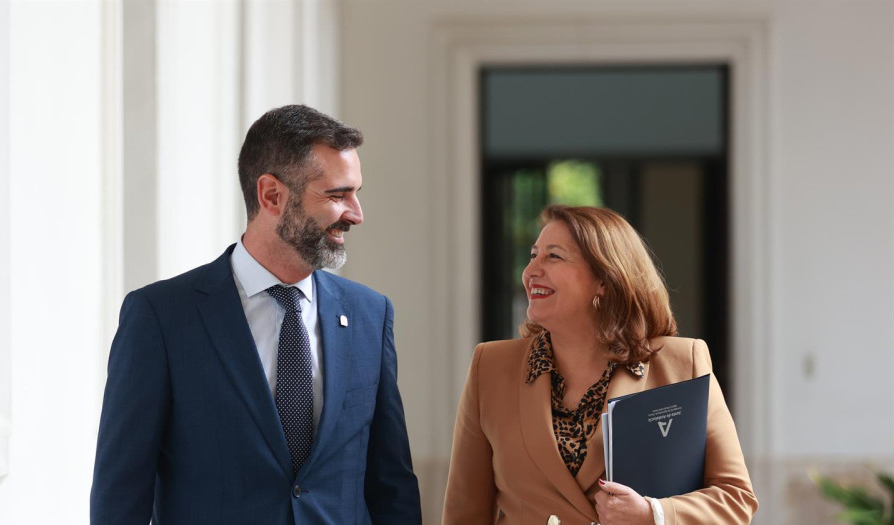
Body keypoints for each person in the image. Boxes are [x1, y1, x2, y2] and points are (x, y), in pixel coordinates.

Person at [90, 105, 422, 524]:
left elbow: (391, 484)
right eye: (337, 195)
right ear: (272, 196)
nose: (356, 213)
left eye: (355, 194)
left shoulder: (370, 315)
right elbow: (120, 496)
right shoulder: (160, 318)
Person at [442, 205, 757, 524]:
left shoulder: (682, 363)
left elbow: (736, 500)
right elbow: (464, 513)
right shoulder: (491, 367)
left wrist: (653, 515)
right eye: (533, 255)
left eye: (553, 256)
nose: (530, 271)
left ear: (605, 279)